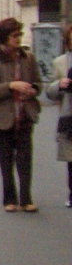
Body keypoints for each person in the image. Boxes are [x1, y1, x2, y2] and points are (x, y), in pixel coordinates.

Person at [0, 18, 42, 212]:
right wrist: (11, 85)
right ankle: (9, 199)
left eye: (20, 35)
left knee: (25, 159)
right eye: (15, 35)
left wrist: (33, 90)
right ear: (5, 38)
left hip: (25, 114)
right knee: (6, 160)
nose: (19, 39)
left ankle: (26, 199)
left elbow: (38, 83)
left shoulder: (28, 58)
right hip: (1, 118)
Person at [51, 27, 72, 207]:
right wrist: (59, 84)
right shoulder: (60, 62)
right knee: (71, 159)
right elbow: (50, 93)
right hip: (69, 115)